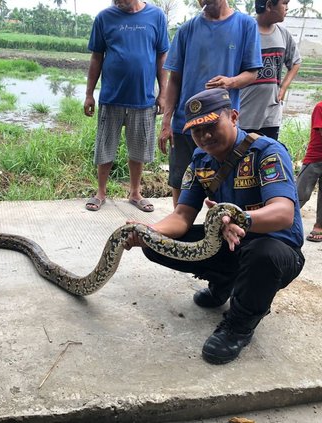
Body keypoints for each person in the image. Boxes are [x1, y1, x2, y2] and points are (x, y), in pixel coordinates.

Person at [125, 88, 304, 364]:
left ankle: (239, 326)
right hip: (229, 243)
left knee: (262, 254)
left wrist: (239, 218)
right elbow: (182, 216)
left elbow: (283, 214)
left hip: (276, 249)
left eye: (211, 125)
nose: (205, 136)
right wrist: (148, 231)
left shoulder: (267, 152)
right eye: (197, 130)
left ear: (233, 117)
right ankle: (224, 282)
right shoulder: (200, 161)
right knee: (154, 245)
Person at [160, 0, 262, 208]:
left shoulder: (245, 25)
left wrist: (230, 82)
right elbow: (175, 80)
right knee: (180, 180)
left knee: (224, 182)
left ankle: (221, 229)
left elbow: (252, 72)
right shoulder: (187, 29)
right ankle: (181, 229)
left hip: (221, 124)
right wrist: (166, 121)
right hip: (185, 124)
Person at [84, 0, 170, 212]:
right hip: (111, 97)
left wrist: (163, 94)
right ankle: (101, 193)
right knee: (105, 147)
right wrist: (89, 94)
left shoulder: (156, 16)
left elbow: (162, 57)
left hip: (143, 98)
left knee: (139, 149)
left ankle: (135, 193)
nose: (117, 1)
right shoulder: (104, 17)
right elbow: (96, 57)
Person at [239, 0, 301, 140]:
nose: (287, 8)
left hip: (271, 114)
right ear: (268, 6)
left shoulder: (283, 34)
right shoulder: (246, 32)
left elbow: (296, 62)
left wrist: (283, 87)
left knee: (268, 156)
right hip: (244, 113)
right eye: (284, 3)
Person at [297, 101, 322, 242]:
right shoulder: (320, 107)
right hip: (315, 158)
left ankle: (319, 225)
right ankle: (283, 221)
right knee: (301, 193)